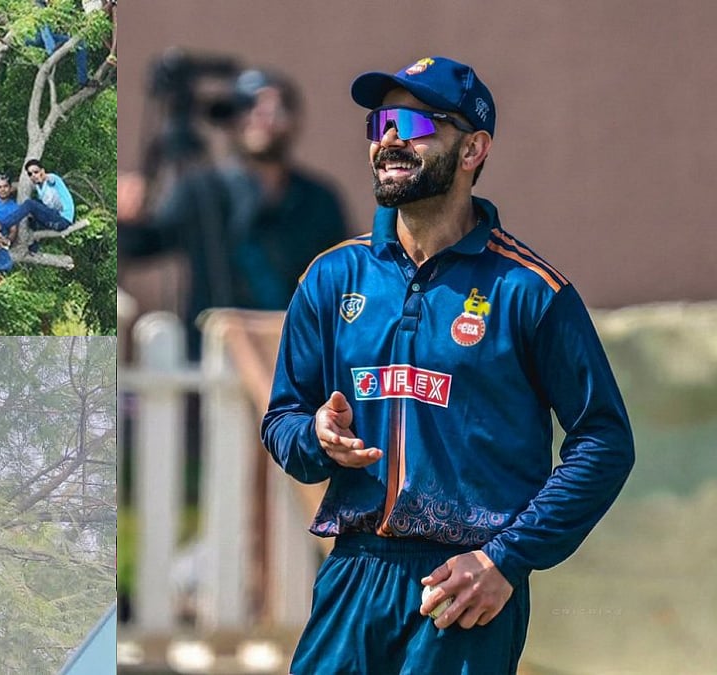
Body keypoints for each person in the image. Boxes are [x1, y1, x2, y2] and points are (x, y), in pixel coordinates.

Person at [260, 56, 635, 674]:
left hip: (466, 585)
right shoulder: (331, 277)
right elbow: (283, 420)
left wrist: (505, 559)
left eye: (413, 123)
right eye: (379, 122)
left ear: (472, 150)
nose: (389, 137)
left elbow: (605, 442)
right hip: (353, 575)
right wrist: (316, 437)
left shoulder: (531, 291)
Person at [118, 67, 348, 359]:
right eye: (249, 106)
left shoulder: (319, 199)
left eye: (273, 108)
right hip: (214, 356)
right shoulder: (202, 190)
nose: (261, 118)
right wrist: (124, 216)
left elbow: (342, 277)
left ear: (294, 119)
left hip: (295, 354)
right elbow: (143, 245)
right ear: (231, 118)